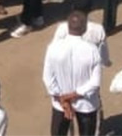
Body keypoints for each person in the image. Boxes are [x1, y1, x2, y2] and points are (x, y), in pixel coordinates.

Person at [41, 7, 103, 135]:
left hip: (60, 104)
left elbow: (47, 78)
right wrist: (72, 96)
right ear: (85, 28)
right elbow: (95, 83)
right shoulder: (92, 50)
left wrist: (63, 99)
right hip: (86, 104)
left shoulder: (53, 48)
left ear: (67, 27)